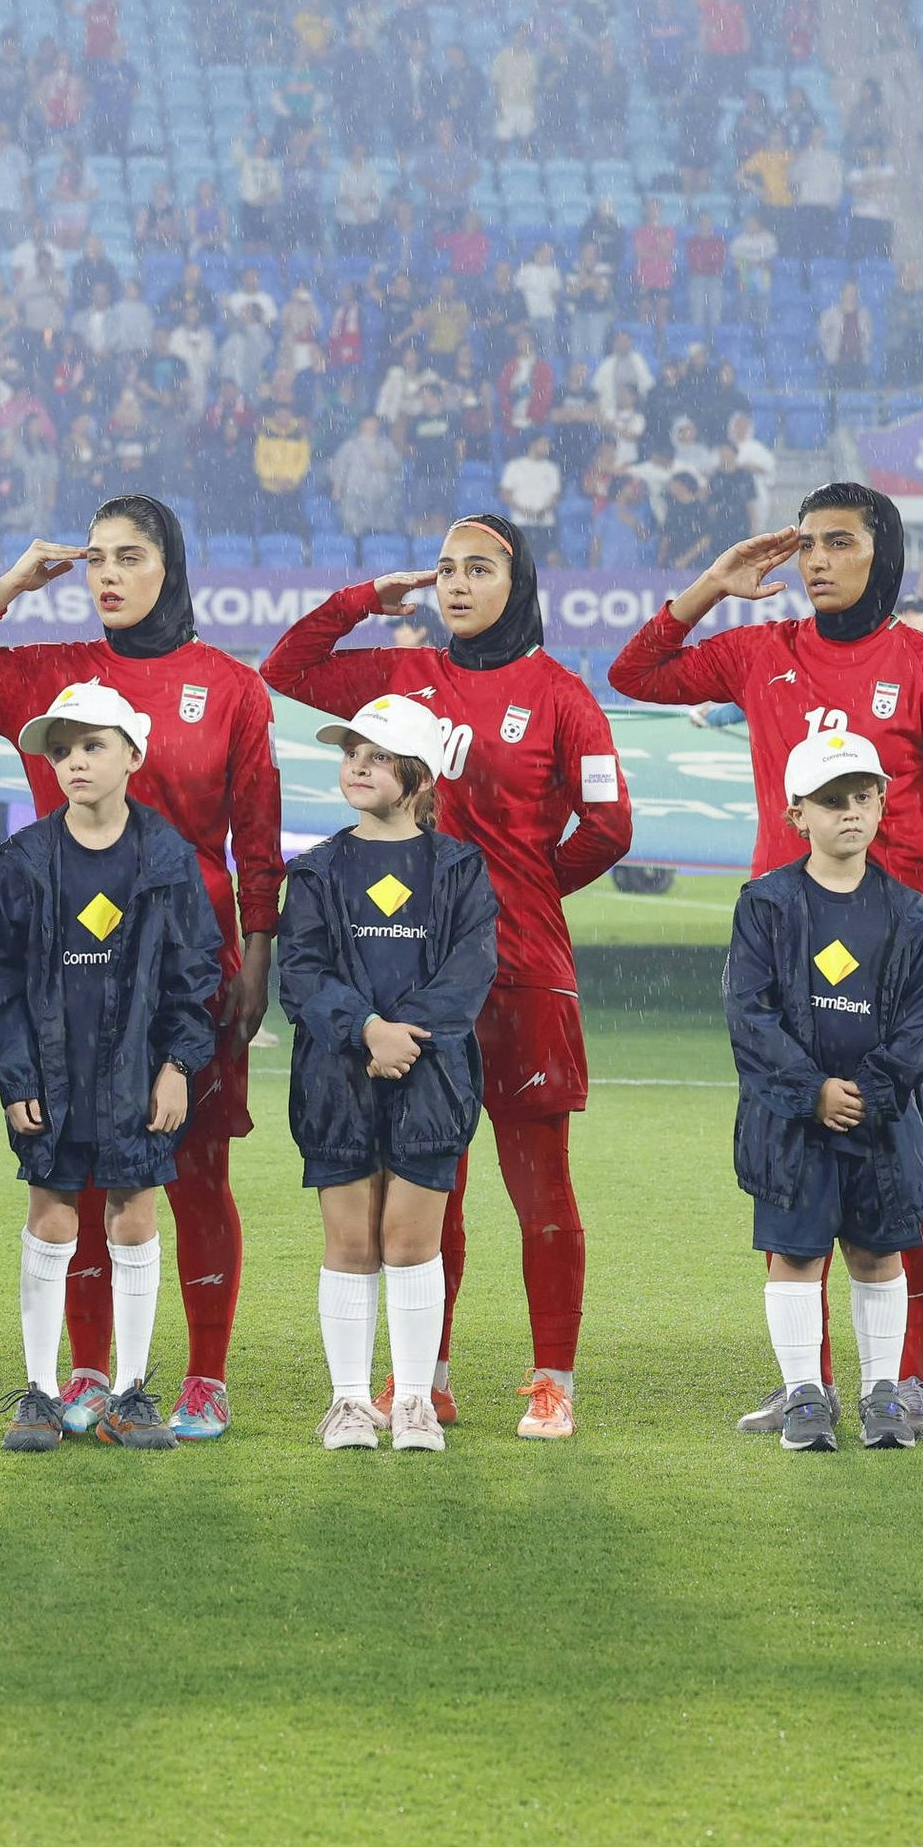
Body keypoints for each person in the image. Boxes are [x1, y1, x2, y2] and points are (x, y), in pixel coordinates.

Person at [611, 486, 923, 1433]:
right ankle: (807, 1383)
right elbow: (636, 671)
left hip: (890, 965)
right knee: (792, 1172)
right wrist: (712, 584)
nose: (816, 562)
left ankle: (909, 1381)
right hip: (780, 961)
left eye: (839, 544)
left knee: (905, 1176)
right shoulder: (761, 652)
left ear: (882, 554)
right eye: (808, 546)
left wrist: (886, 904)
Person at [0, 498, 277, 1441]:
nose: (108, 575)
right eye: (96, 561)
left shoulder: (230, 686)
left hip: (186, 969)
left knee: (192, 1170)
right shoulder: (54, 676)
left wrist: (257, 960)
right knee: (71, 1175)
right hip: (61, 970)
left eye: (131, 557)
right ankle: (81, 1372)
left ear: (172, 567)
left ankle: (199, 1376)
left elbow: (261, 844)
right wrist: (4, 591)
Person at [263, 514, 632, 1440]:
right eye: (444, 571)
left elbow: (610, 826)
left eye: (479, 569)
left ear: (520, 581)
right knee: (437, 1177)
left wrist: (526, 888)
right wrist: (361, 602)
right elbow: (288, 671)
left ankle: (553, 1380)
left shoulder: (559, 693)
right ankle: (426, 1378)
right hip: (413, 984)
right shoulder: (405, 678)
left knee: (540, 1183)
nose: (457, 585)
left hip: (524, 975)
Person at [0, 681, 224, 1452]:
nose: (74, 762)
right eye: (62, 749)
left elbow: (195, 975)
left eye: (92, 746)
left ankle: (134, 1390)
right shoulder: (25, 859)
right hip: (49, 1075)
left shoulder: (168, 859)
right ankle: (41, 1394)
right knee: (50, 1217)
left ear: (134, 756)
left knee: (134, 1215)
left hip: (135, 1074)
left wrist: (178, 1063)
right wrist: (14, 1081)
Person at [279, 694, 497, 1454]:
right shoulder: (314, 870)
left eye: (375, 755)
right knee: (349, 1245)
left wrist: (404, 1035)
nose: (357, 766)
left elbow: (469, 973)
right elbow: (301, 974)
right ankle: (347, 1403)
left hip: (430, 1077)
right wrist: (367, 1029)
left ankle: (411, 1402)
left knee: (409, 1245)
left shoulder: (461, 868)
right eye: (350, 754)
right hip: (338, 1079)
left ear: (418, 773)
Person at [722, 730, 923, 1453]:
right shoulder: (767, 903)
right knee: (794, 1253)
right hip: (791, 1123)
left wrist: (869, 1093)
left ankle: (883, 1394)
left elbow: (921, 1023)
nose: (849, 812)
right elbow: (748, 1016)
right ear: (797, 814)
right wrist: (813, 1090)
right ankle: (805, 1397)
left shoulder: (910, 912)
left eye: (861, 797)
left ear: (881, 803)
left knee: (879, 1255)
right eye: (831, 801)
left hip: (882, 1126)